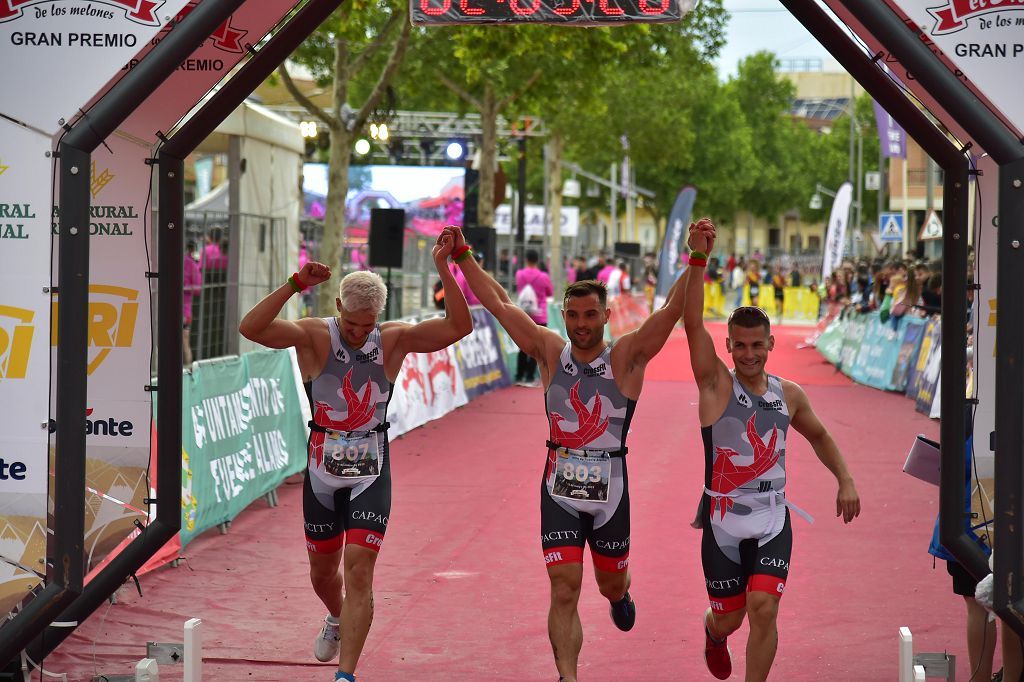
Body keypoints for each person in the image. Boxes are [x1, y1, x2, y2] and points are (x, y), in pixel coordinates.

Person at [446, 221, 705, 681]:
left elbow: (670, 311)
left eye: (590, 316)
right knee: (564, 588)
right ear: (563, 316)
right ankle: (568, 676)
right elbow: (501, 303)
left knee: (608, 583)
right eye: (573, 316)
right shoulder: (549, 351)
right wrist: (463, 254)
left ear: (606, 315)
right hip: (558, 488)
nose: (581, 325)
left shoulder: (626, 357)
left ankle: (620, 595)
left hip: (611, 495)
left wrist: (697, 258)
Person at [238, 232, 472, 682]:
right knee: (323, 573)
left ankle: (346, 675)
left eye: (369, 326)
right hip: (322, 470)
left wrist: (446, 266)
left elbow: (459, 327)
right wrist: (294, 284)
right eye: (353, 326)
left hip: (371, 470)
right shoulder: (312, 335)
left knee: (359, 569)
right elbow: (251, 328)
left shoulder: (394, 339)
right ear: (340, 310)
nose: (361, 334)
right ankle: (337, 617)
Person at [680, 221, 861, 682]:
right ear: (728, 347)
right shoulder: (715, 384)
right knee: (732, 616)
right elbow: (692, 323)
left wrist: (845, 479)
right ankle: (713, 630)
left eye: (757, 345)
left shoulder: (790, 395)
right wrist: (698, 260)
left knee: (764, 607)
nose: (748, 355)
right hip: (722, 520)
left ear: (770, 344)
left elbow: (819, 436)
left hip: (771, 517)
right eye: (739, 346)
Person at [514, 249, 554, 387]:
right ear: (537, 260)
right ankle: (530, 377)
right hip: (540, 314)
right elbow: (550, 292)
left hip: (524, 314)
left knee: (522, 345)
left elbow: (518, 289)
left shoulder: (519, 274)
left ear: (526, 259)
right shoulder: (543, 276)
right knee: (537, 347)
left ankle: (519, 375)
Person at [183, 241, 202, 366]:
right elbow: (198, 289)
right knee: (185, 342)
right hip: (186, 311)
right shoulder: (193, 266)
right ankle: (188, 371)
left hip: (175, 310)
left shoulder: (174, 261)